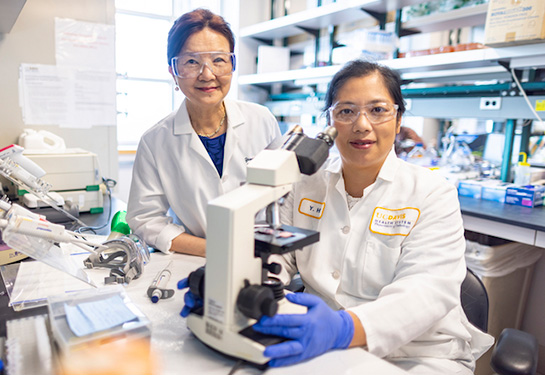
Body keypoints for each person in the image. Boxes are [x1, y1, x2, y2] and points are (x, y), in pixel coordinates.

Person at [180, 60, 493, 373]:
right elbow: (279, 258)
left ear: (398, 120)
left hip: (417, 356)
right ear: (330, 122)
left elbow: (426, 292)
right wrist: (228, 283)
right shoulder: (305, 182)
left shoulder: (432, 192)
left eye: (378, 110)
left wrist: (345, 328)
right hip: (321, 344)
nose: (361, 125)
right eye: (346, 111)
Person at [126, 9, 280, 256]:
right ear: (173, 72)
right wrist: (216, 250)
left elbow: (285, 195)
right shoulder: (155, 142)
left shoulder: (261, 121)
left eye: (219, 60)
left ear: (232, 65)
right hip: (197, 260)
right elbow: (145, 219)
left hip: (263, 256)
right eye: (191, 61)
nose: (207, 74)